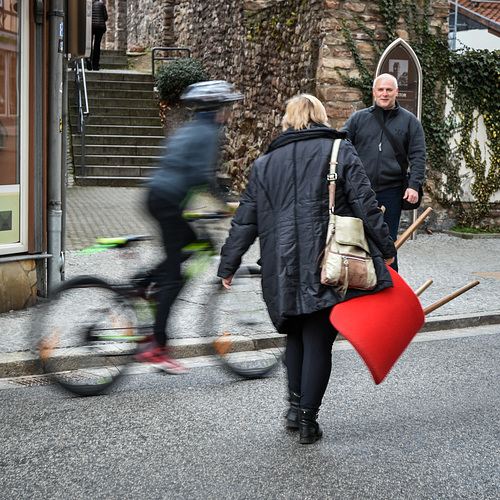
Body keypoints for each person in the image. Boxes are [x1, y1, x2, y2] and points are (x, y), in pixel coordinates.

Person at [217, 94, 396, 444]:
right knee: (318, 339)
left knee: (295, 334)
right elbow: (366, 203)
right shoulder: (339, 151)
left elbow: (244, 220)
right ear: (321, 117)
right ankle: (307, 421)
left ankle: (293, 409)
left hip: (280, 266)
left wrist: (228, 264)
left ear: (288, 120)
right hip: (324, 262)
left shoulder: (265, 163)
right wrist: (386, 249)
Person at [135, 80, 244, 374]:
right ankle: (157, 347)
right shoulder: (209, 133)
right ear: (217, 110)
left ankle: (144, 283)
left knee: (194, 245)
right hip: (169, 202)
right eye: (227, 107)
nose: (229, 113)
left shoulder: (188, 127)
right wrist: (222, 205)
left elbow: (182, 170)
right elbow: (199, 175)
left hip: (158, 197)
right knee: (174, 277)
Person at [342, 73, 426, 271]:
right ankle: (358, 283)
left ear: (397, 92)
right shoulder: (358, 119)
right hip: (359, 192)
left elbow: (418, 155)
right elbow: (341, 146)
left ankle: (389, 286)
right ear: (374, 92)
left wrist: (414, 185)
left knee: (388, 242)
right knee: (356, 239)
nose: (385, 93)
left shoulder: (410, 122)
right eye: (380, 89)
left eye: (389, 90)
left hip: (392, 191)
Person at [87, 0, 108, 71]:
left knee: (89, 44)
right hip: (99, 27)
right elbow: (105, 17)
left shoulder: (88, 4)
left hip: (90, 26)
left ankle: (88, 59)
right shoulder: (101, 4)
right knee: (97, 45)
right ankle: (95, 65)